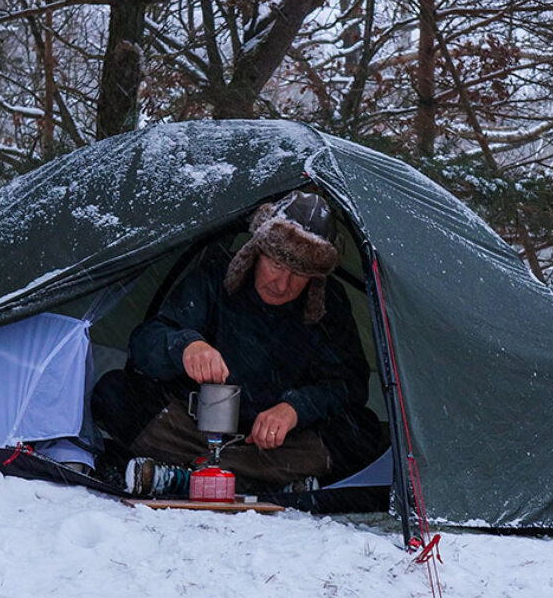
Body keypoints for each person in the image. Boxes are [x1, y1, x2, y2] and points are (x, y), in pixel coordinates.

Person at [92, 190, 380, 495]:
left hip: (275, 443)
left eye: (298, 274)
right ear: (256, 253)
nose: (282, 284)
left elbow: (349, 384)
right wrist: (186, 347)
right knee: (113, 393)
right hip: (193, 429)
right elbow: (144, 345)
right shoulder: (216, 276)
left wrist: (295, 408)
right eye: (276, 265)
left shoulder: (328, 304)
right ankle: (269, 483)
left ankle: (189, 477)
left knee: (363, 432)